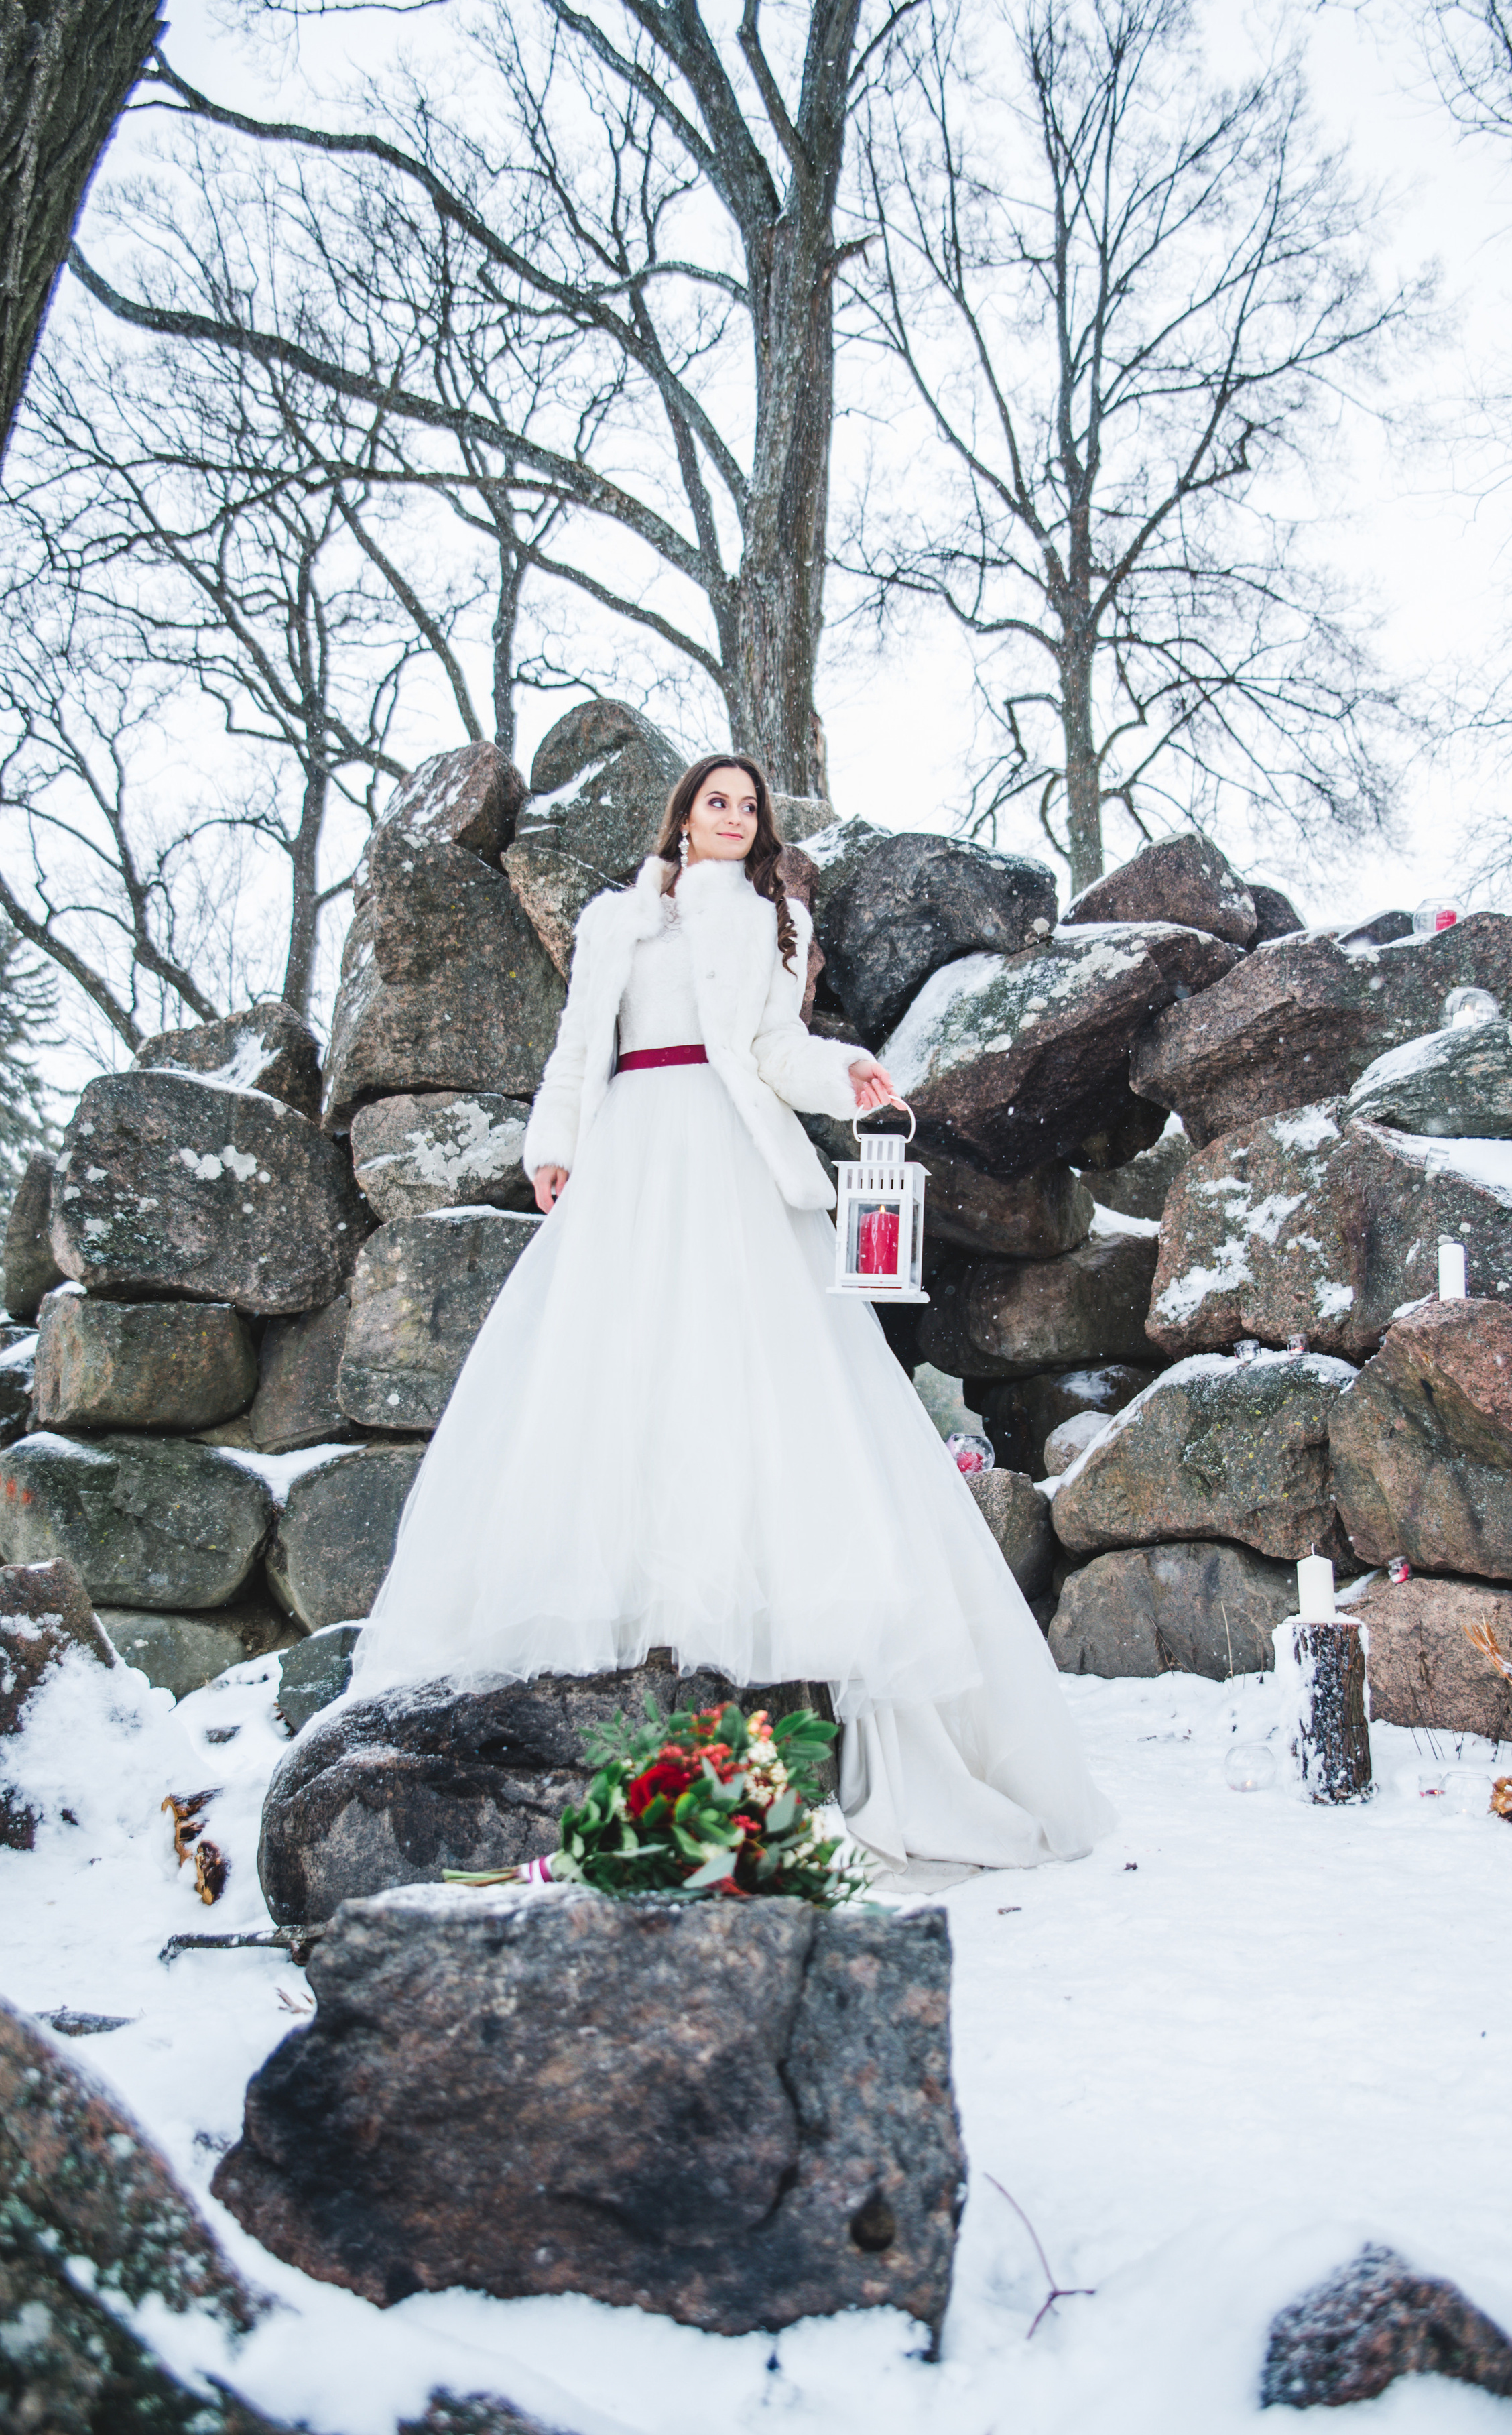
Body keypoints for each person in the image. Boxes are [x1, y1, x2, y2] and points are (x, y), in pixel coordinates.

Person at [347, 753, 1113, 1877]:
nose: (734, 816)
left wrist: (845, 1070)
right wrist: (552, 1147)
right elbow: (577, 1050)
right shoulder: (618, 920)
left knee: (750, 1373)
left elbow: (768, 1048)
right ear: (684, 813)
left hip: (728, 1149)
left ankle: (763, 1659)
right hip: (629, 1152)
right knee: (612, 1367)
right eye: (719, 801)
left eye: (749, 807)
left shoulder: (774, 920)